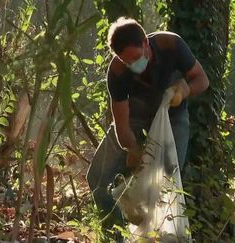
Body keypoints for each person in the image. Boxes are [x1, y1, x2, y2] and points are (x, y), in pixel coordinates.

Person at [86, 17, 209, 241]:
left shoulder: (170, 45)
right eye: (126, 61)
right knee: (97, 178)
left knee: (167, 182)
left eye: (135, 58)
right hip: (135, 120)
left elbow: (202, 79)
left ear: (145, 43)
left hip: (173, 118)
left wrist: (185, 90)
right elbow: (121, 123)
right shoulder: (117, 72)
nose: (132, 64)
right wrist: (132, 149)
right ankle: (115, 236)